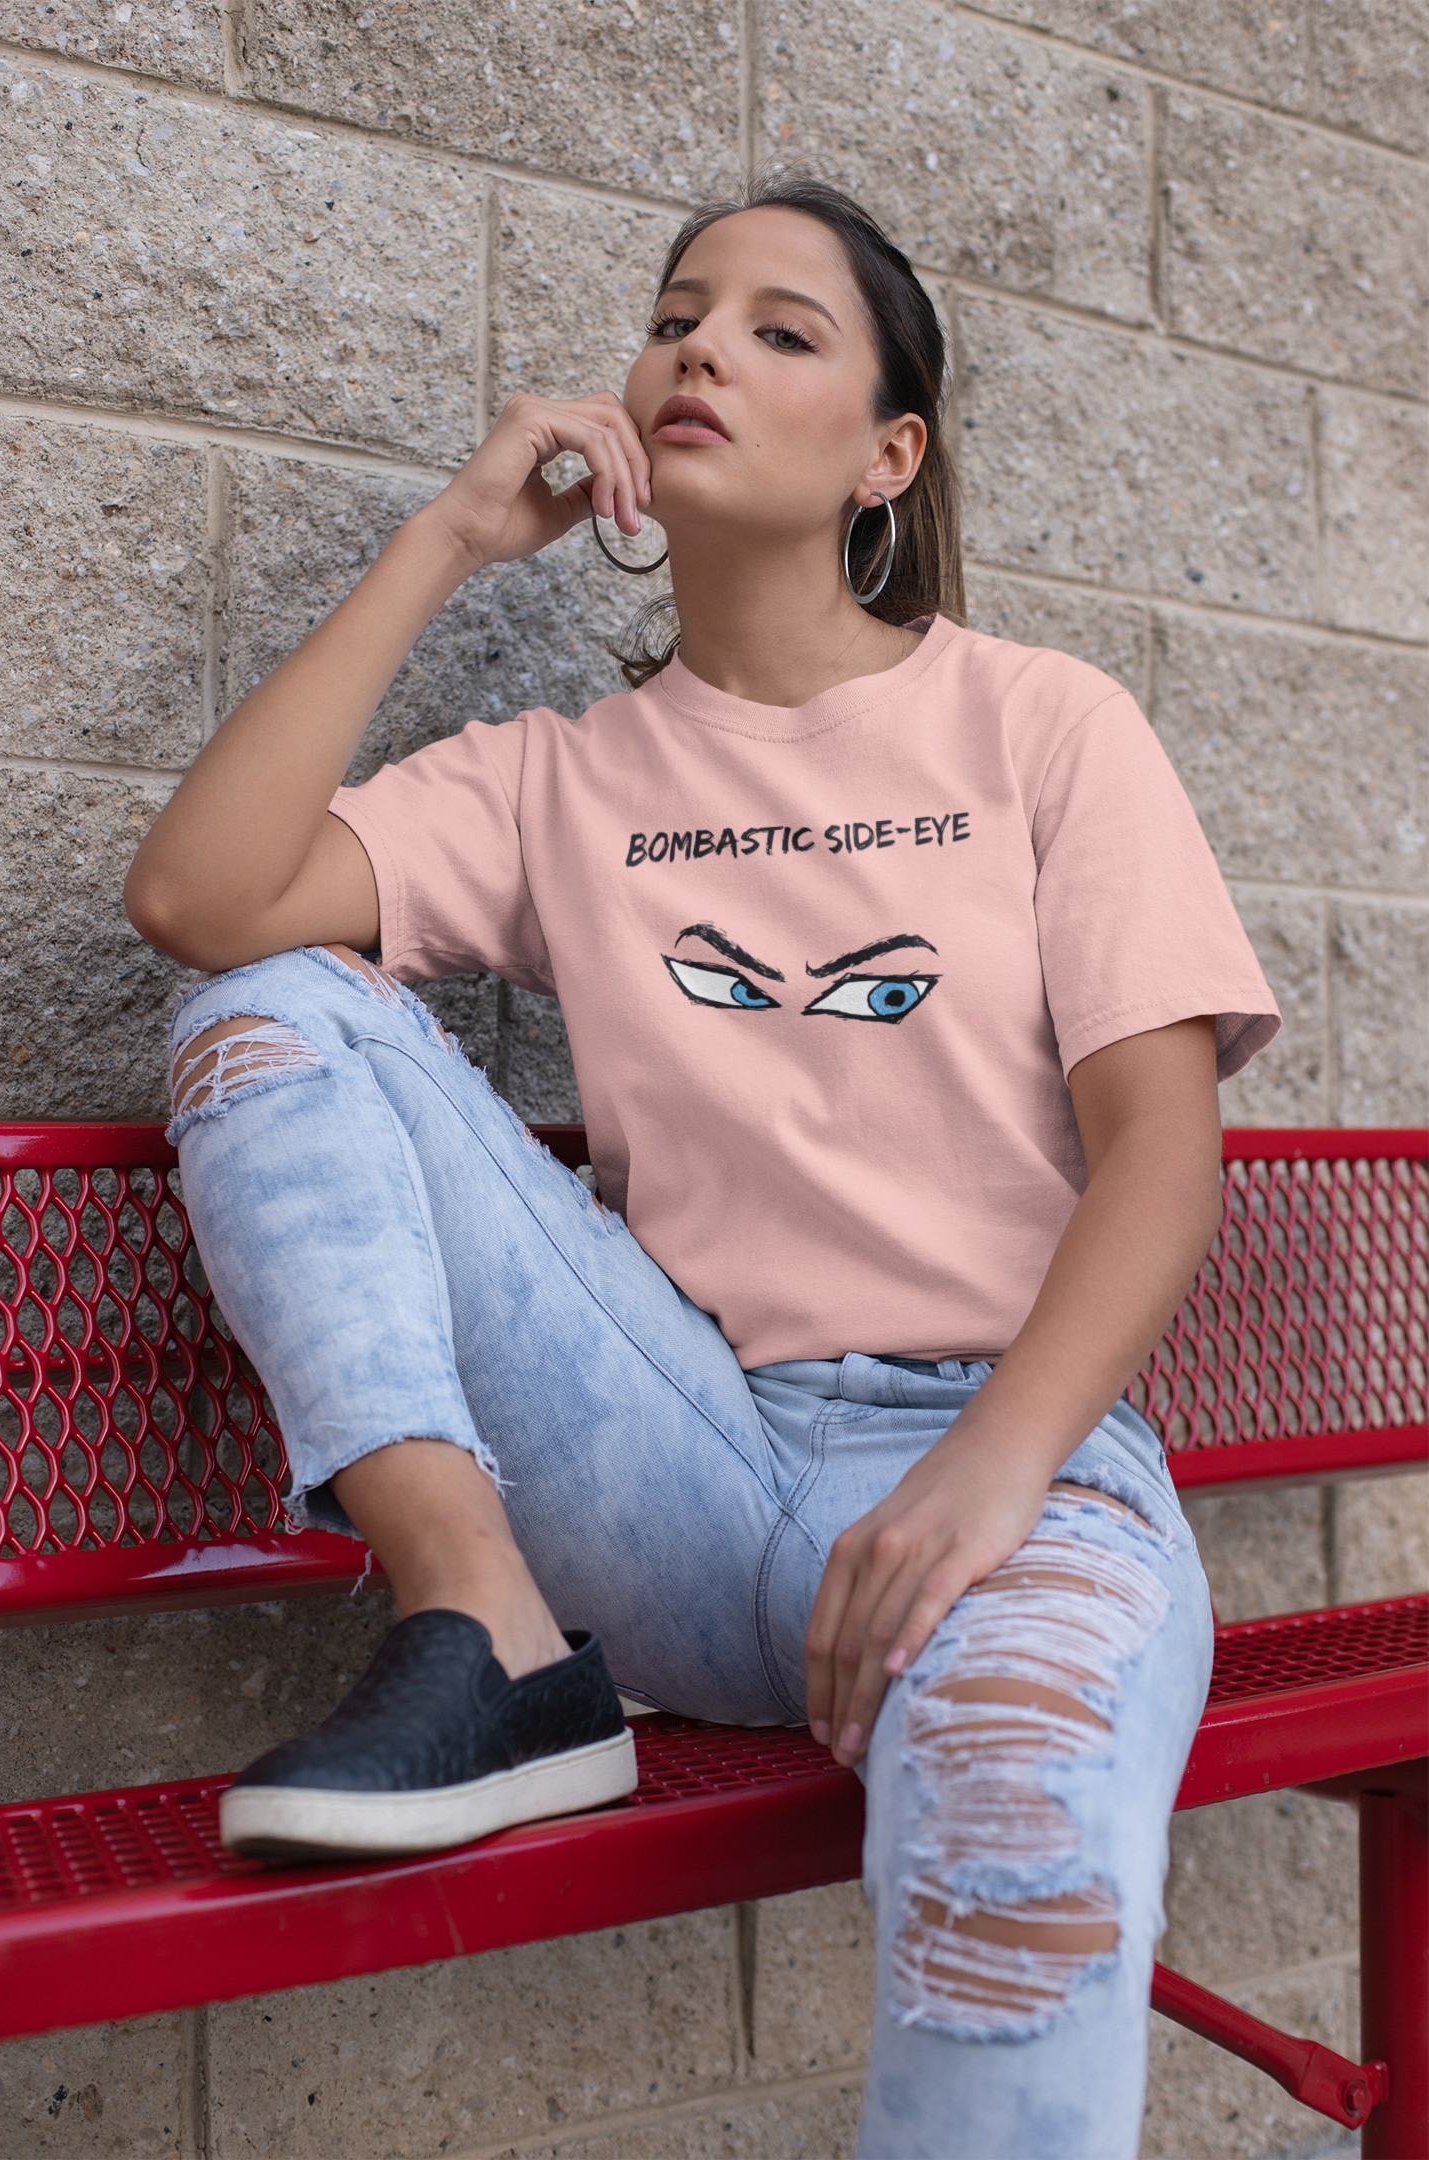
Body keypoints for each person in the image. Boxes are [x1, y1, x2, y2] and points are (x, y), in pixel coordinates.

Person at [125, 174, 1278, 2158]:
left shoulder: (1040, 725)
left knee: (1013, 1852)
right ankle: (482, 1630)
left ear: (886, 459)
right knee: (262, 1010)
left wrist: (987, 1473)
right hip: (686, 1464)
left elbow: (1164, 1150)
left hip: (1003, 1481)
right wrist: (448, 543)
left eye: (778, 329)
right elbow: (202, 894)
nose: (700, 350)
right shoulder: (565, 774)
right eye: (678, 315)